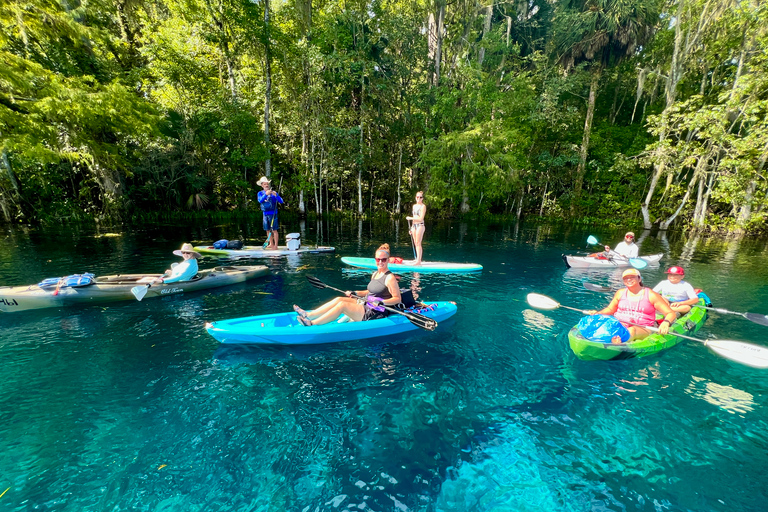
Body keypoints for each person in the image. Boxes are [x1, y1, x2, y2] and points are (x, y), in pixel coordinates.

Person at [294, 244, 402, 326]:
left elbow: (397, 298)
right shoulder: (375, 274)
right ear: (375, 260)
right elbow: (370, 291)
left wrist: (381, 302)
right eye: (378, 259)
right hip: (367, 303)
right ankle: (308, 315)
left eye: (383, 260)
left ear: (388, 260)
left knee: (342, 306)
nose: (380, 262)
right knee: (339, 300)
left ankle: (312, 323)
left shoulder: (390, 278)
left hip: (376, 311)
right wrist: (355, 293)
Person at [587, 268, 677, 344]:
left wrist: (666, 322)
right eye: (626, 278)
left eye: (632, 277)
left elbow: (670, 313)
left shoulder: (651, 295)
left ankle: (620, 342)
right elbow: (610, 309)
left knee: (632, 330)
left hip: (643, 328)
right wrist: (598, 313)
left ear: (639, 279)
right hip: (620, 323)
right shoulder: (620, 293)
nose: (629, 280)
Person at [257, 176, 284, 250]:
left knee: (274, 230)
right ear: (262, 185)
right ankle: (271, 244)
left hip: (273, 214)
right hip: (265, 214)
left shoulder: (273, 193)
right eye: (264, 184)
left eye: (267, 184)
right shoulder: (260, 193)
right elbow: (260, 201)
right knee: (267, 229)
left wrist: (276, 196)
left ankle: (276, 245)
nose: (266, 185)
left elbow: (281, 201)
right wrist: (266, 194)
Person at [406, 191, 427, 265]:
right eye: (417, 197)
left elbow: (421, 218)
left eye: (420, 197)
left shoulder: (423, 206)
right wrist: (411, 227)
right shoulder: (414, 206)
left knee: (418, 243)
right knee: (415, 243)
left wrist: (410, 218)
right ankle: (417, 259)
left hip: (420, 225)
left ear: (422, 198)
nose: (419, 198)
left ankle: (419, 261)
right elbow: (414, 217)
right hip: (414, 226)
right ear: (415, 197)